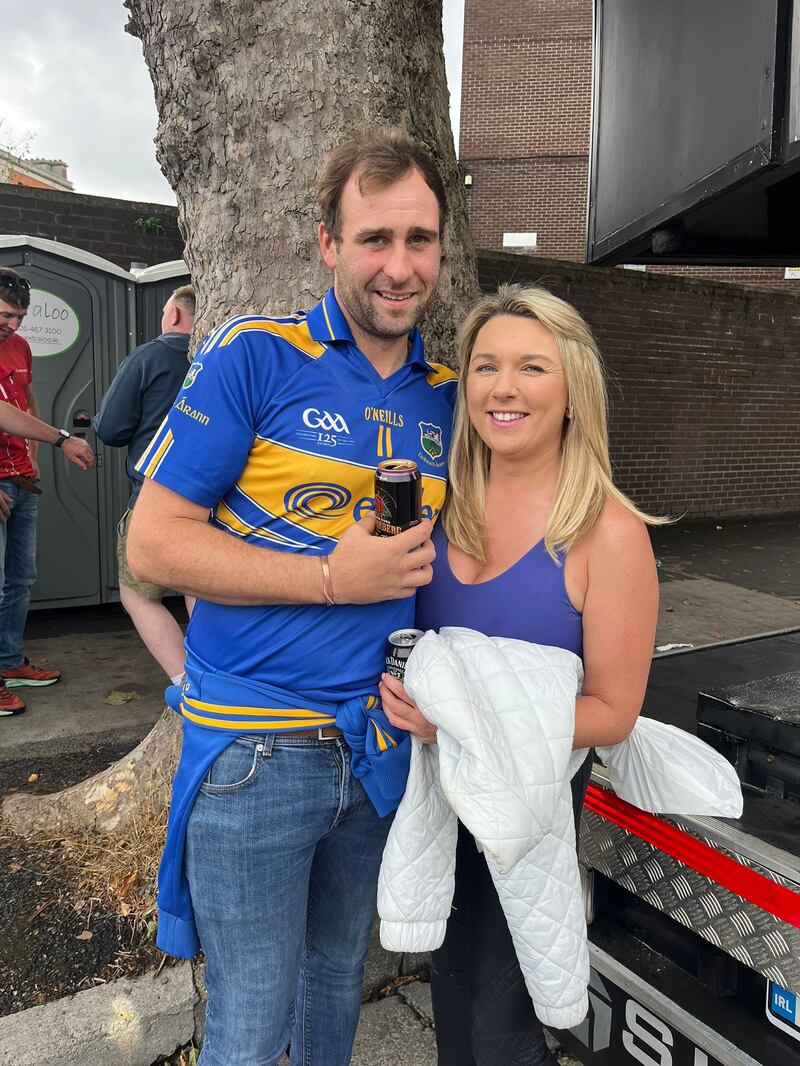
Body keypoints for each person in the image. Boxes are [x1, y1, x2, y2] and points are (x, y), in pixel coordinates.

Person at [126, 128, 457, 1066]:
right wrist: (328, 578)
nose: (400, 266)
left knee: (332, 993)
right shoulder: (252, 357)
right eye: (375, 239)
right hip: (255, 752)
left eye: (420, 240)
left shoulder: (447, 397)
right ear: (328, 244)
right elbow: (151, 545)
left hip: (377, 749)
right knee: (251, 1021)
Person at [380, 283, 662, 1066]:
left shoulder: (608, 533)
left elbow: (613, 711)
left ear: (573, 389)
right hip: (438, 799)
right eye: (485, 366)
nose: (502, 388)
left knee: (501, 1033)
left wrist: (460, 718)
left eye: (531, 368)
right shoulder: (435, 505)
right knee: (453, 1012)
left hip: (527, 815)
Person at [0, 268, 96, 718]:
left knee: (19, 580)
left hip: (19, 477)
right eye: (5, 314)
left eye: (19, 316)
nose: (13, 325)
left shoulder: (18, 347)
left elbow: (24, 398)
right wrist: (62, 439)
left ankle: (8, 664)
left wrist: (35, 447)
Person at [93, 285, 196, 684]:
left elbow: (110, 429)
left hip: (155, 498)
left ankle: (184, 682)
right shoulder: (220, 355)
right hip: (215, 498)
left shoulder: (150, 355)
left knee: (138, 592)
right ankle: (217, 676)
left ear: (173, 316)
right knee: (201, 586)